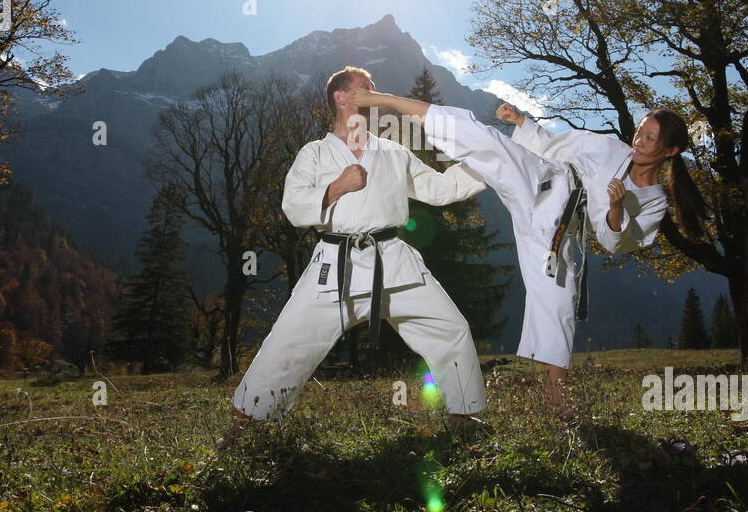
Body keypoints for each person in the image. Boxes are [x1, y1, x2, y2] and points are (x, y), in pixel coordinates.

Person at [345, 85, 709, 414]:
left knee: (559, 301)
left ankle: (556, 400)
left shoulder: (653, 200)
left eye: (650, 138)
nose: (639, 141)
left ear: (671, 150)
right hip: (543, 178)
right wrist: (523, 122)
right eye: (640, 132)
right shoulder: (613, 149)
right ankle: (387, 100)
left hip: (556, 229)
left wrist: (615, 209)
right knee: (482, 137)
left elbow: (617, 242)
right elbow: (557, 145)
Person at [217, 66, 490, 450]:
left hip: (392, 260)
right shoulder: (314, 153)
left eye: (375, 90)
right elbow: (294, 209)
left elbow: (440, 188)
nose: (374, 96)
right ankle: (246, 425)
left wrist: (492, 161)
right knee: (288, 343)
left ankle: (465, 417)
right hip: (335, 264)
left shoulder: (393, 151)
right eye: (365, 89)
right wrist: (337, 187)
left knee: (451, 329)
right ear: (341, 98)